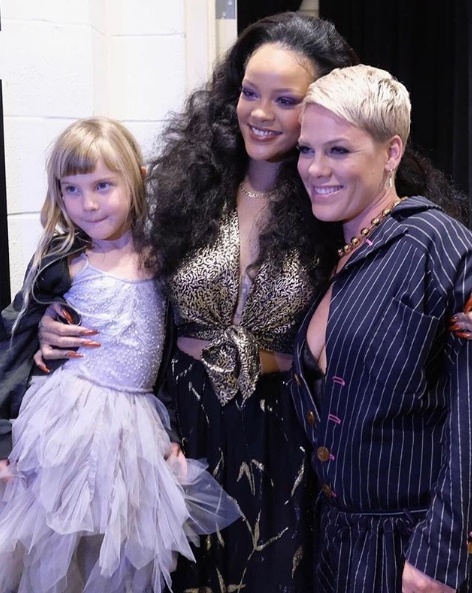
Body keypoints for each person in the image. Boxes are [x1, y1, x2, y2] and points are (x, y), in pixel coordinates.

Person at [32, 12, 468, 593]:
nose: (260, 113)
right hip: (180, 435)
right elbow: (102, 266)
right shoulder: (185, 190)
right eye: (249, 92)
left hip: (289, 444)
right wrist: (50, 319)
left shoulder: (335, 201)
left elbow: (398, 299)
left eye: (285, 99)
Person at [0, 117, 239, 593]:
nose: (87, 203)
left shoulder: (162, 258)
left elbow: (167, 355)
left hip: (135, 430)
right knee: (57, 549)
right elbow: (16, 340)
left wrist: (170, 429)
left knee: (122, 558)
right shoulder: (62, 259)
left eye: (103, 185)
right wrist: (4, 441)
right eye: (72, 189)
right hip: (65, 424)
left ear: (135, 179)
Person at [292, 64, 472, 593]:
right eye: (307, 149)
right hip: (336, 544)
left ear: (391, 153)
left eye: (339, 150)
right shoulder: (336, 250)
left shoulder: (439, 244)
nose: (315, 168)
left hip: (412, 551)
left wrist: (442, 549)